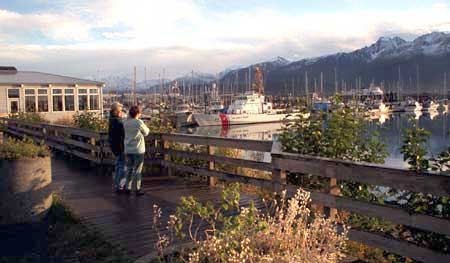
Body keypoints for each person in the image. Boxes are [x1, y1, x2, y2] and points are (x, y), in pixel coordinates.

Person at [123, 106, 150, 196]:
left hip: (128, 149)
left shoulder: (125, 122)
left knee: (129, 169)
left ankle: (128, 187)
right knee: (138, 170)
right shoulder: (139, 122)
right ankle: (138, 189)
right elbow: (146, 132)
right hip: (138, 150)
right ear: (138, 114)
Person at [108, 102, 125, 194]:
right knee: (122, 166)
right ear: (117, 111)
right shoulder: (118, 121)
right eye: (120, 111)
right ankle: (120, 185)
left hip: (114, 146)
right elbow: (123, 133)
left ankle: (117, 184)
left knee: (118, 165)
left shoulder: (111, 119)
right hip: (120, 146)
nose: (121, 112)